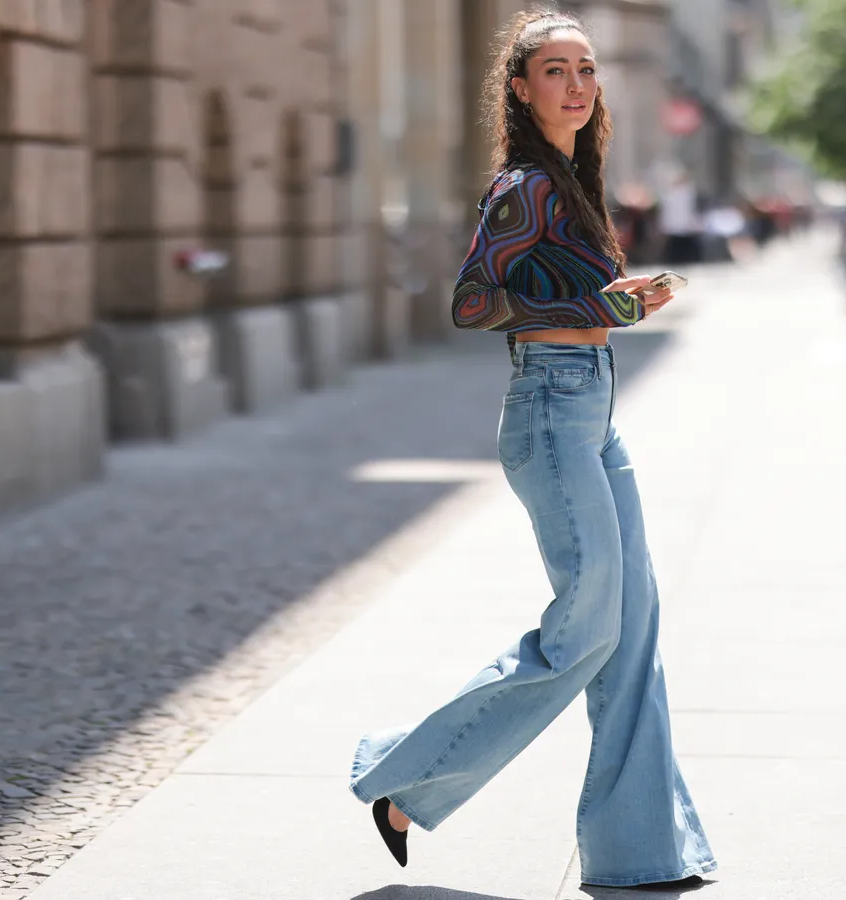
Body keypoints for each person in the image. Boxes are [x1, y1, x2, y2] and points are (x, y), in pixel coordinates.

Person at [347, 9, 717, 891]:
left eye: (587, 69)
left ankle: (641, 855)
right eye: (556, 70)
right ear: (520, 88)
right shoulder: (524, 187)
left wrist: (616, 303)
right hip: (550, 411)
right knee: (589, 624)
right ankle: (404, 777)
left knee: (631, 632)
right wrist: (600, 312)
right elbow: (473, 303)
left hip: (592, 410)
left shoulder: (573, 180)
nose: (579, 84)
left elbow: (558, 294)